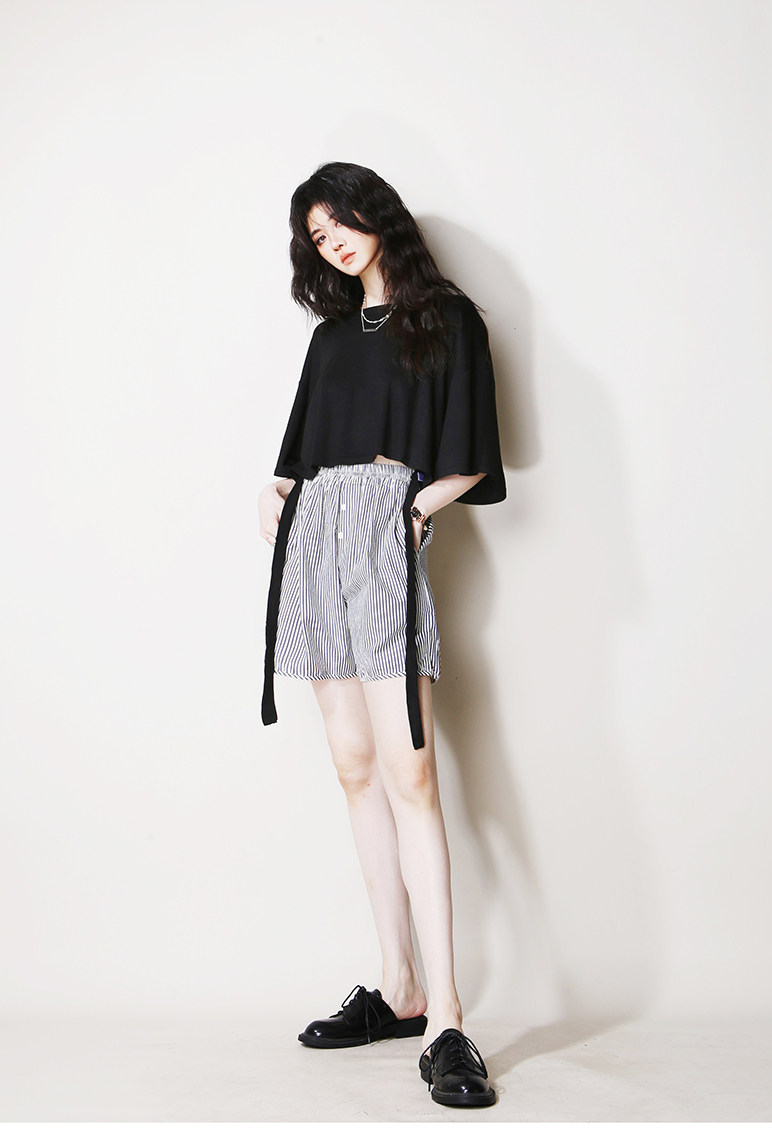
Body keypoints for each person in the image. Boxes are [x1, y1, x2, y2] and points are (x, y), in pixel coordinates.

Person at [257, 162, 506, 1109]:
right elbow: (294, 461)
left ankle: (447, 1018)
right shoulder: (329, 340)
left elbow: (471, 461)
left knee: (413, 774)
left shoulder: (450, 320)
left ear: (377, 214)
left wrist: (410, 512)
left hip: (384, 531)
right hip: (315, 536)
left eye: (341, 223)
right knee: (356, 769)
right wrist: (283, 503)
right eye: (317, 238)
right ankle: (398, 987)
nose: (333, 244)